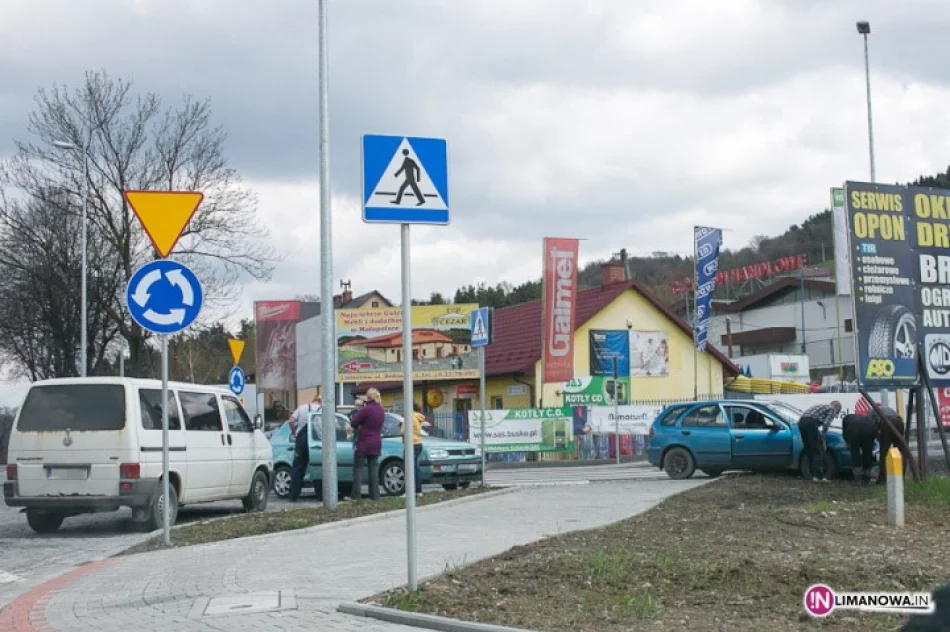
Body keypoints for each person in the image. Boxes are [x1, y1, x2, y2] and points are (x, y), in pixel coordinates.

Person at [350, 388, 384, 500]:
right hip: (376, 442)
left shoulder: (366, 410)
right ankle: (375, 495)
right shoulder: (381, 410)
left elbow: (354, 423)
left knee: (358, 469)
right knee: (373, 469)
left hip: (364, 442)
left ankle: (356, 495)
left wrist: (355, 422)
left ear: (368, 397)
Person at [288, 393, 322, 502]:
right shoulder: (323, 410)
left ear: (313, 400)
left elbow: (291, 421)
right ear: (321, 402)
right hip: (316, 443)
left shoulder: (302, 408)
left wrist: (294, 432)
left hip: (301, 443)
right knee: (318, 467)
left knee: (297, 468)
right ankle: (320, 495)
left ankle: (293, 495)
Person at [797, 401, 841, 483]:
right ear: (837, 407)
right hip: (811, 423)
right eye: (836, 413)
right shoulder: (832, 409)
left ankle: (813, 476)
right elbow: (825, 425)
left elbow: (804, 418)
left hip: (802, 423)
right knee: (818, 450)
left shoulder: (821, 405)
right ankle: (819, 477)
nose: (835, 415)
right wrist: (823, 441)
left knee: (809, 450)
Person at [842, 412, 876, 485]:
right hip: (868, 431)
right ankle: (867, 477)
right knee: (867, 453)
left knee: (855, 454)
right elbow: (874, 428)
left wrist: (848, 442)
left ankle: (858, 478)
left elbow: (844, 433)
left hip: (854, 431)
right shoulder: (865, 418)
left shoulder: (846, 418)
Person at [399, 403, 425, 497]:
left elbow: (403, 431)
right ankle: (418, 490)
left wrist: (401, 425)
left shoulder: (409, 417)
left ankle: (409, 491)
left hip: (411, 444)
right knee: (415, 469)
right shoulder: (417, 416)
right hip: (418, 443)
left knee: (408, 468)